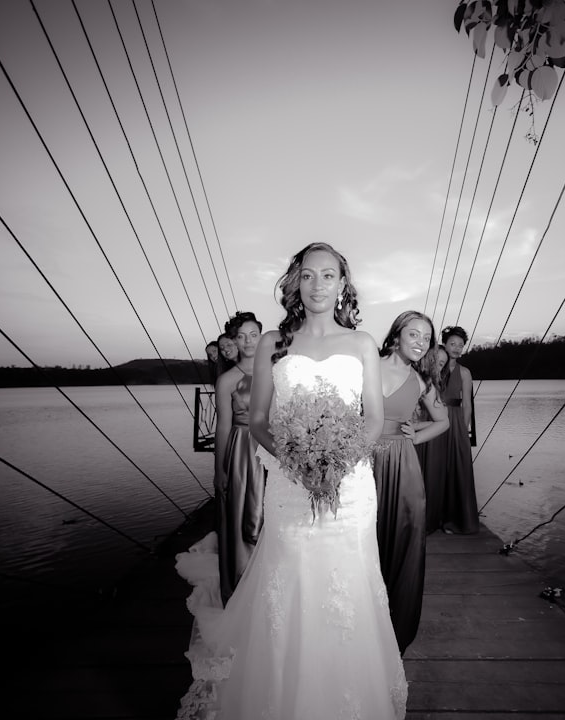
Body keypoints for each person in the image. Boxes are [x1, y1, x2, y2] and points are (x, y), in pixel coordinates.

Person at [174, 242, 407, 719]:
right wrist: (300, 462)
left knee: (349, 584)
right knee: (292, 579)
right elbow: (258, 419)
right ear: (294, 283)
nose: (317, 284)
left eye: (328, 276)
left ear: (343, 285)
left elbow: (373, 422)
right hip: (290, 483)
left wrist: (336, 464)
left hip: (352, 486)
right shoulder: (272, 343)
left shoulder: (362, 343)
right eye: (307, 275)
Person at [374, 310, 449, 655]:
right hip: (365, 462)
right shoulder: (368, 367)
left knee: (403, 538)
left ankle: (395, 625)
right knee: (367, 537)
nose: (421, 343)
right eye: (414, 334)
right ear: (396, 335)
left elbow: (443, 422)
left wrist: (415, 436)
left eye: (426, 338)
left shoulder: (422, 382)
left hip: (403, 466)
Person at [212, 311, 266, 605]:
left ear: (262, 336)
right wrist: (219, 470)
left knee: (273, 518)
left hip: (274, 449)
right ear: (234, 340)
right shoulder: (227, 380)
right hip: (243, 451)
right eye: (241, 336)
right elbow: (222, 426)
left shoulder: (276, 371)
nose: (248, 341)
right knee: (245, 518)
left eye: (253, 335)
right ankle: (242, 592)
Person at [439, 325, 479, 534]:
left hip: (454, 421)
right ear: (444, 344)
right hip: (432, 418)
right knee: (435, 467)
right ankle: (430, 517)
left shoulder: (465, 372)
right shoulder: (433, 366)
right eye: (452, 344)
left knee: (456, 469)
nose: (456, 348)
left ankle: (454, 520)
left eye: (460, 345)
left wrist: (464, 431)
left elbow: (468, 405)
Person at [415, 345, 449, 534]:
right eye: (434, 360)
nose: (437, 366)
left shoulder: (429, 386)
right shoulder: (408, 375)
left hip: (416, 442)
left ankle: (423, 524)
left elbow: (443, 421)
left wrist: (414, 430)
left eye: (441, 364)